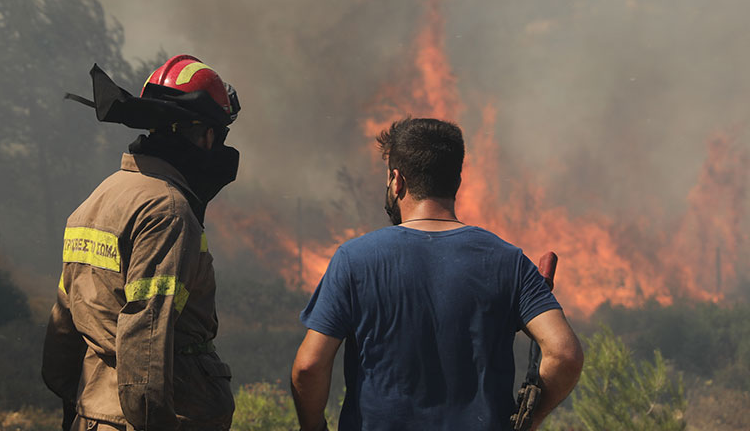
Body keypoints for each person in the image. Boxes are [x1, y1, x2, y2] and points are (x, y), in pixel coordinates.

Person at [290, 117, 583, 431]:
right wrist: (529, 420)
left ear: (397, 180)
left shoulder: (354, 259)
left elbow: (309, 367)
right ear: (455, 181)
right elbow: (564, 354)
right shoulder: (508, 260)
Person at [42, 55, 242, 431]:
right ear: (208, 136)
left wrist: (82, 409)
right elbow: (145, 331)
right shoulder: (168, 210)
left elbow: (62, 331)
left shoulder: (98, 199)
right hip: (145, 419)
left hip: (96, 413)